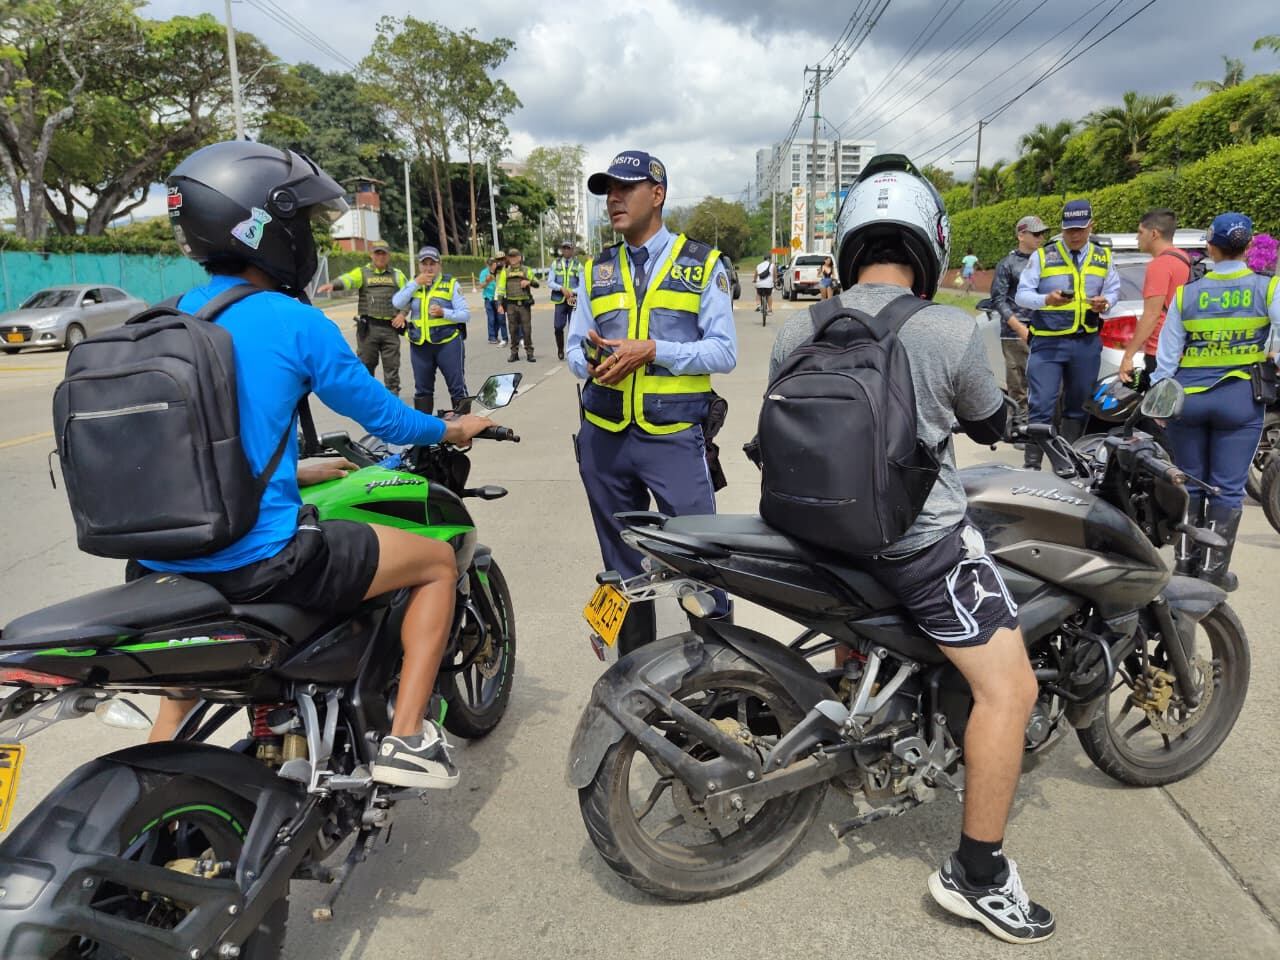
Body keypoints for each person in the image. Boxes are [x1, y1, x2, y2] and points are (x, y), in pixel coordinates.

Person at [768, 154, 1051, 944]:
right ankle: (980, 875)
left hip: (810, 534)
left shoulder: (798, 323)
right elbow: (992, 422)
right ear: (928, 245)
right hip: (912, 550)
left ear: (850, 244)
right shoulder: (950, 330)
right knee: (1011, 691)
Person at [155, 140, 495, 789]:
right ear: (265, 229)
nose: (308, 241)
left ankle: (159, 757)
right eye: (303, 226)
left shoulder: (167, 317)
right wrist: (452, 428)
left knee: (192, 639)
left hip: (161, 561)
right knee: (432, 563)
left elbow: (201, 447)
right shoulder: (290, 319)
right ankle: (406, 740)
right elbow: (387, 420)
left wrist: (294, 471)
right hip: (260, 562)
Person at [566, 149, 738, 652]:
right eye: (608, 192)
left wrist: (654, 351)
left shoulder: (702, 263)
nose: (613, 199)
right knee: (620, 574)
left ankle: (725, 686)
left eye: (625, 188)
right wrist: (591, 361)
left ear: (657, 194)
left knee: (702, 567)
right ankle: (634, 684)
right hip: (605, 441)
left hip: (673, 441)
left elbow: (724, 351)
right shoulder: (596, 269)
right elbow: (576, 346)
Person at [1152, 212, 1280, 589]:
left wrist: (1161, 402)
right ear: (1249, 247)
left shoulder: (1187, 294)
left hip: (1188, 401)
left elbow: (1167, 358)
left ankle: (1185, 566)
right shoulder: (1267, 289)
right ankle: (1212, 572)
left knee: (1190, 484)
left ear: (1210, 246)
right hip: (1239, 401)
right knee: (1226, 487)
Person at [1015, 199, 1121, 469]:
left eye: (1080, 229)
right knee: (1042, 404)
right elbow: (1022, 295)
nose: (1074, 235)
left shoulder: (1103, 257)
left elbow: (1113, 291)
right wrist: (1046, 300)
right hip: (1048, 342)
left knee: (1078, 406)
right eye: (1069, 230)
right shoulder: (1042, 256)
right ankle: (1032, 468)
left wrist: (1105, 303)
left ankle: (1069, 465)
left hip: (1085, 342)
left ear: (1090, 226)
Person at [316, 241, 408, 395]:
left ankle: (393, 402)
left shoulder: (397, 275)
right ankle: (368, 401)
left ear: (388, 255)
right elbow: (348, 280)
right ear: (371, 255)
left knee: (392, 369)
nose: (380, 256)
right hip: (368, 330)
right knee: (365, 367)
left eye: (383, 253)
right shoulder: (362, 273)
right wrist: (334, 284)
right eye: (377, 253)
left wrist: (402, 314)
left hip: (390, 328)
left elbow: (409, 296)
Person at [392, 245, 471, 412]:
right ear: (419, 265)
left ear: (439, 265)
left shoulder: (450, 283)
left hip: (448, 343)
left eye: (432, 264)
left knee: (457, 387)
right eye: (424, 264)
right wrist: (414, 283)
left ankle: (464, 431)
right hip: (420, 345)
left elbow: (465, 314)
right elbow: (397, 303)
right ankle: (425, 434)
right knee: (422, 391)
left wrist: (444, 312)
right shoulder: (413, 284)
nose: (428, 268)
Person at [1119, 208, 1192, 388]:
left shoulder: (1159, 265)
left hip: (1160, 348)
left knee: (1157, 410)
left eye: (1140, 232)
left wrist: (1128, 356)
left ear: (1154, 234)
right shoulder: (1184, 258)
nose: (1137, 237)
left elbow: (1151, 315)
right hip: (1181, 345)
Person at [989, 215, 1049, 428]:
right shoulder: (1007, 264)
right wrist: (1019, 327)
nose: (1040, 238)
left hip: (1045, 329)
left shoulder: (1047, 261)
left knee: (1043, 382)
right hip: (1014, 332)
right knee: (1018, 383)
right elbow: (998, 299)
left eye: (1042, 233)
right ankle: (1020, 426)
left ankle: (1040, 426)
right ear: (1021, 235)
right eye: (1036, 234)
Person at [496, 247, 539, 362]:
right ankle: (514, 353)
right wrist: (500, 304)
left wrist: (529, 282)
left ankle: (530, 353)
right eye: (511, 257)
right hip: (510, 305)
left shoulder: (526, 270)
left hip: (524, 304)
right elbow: (500, 289)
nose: (513, 259)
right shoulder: (505, 272)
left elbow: (537, 283)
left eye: (515, 256)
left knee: (526, 330)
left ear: (520, 257)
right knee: (513, 330)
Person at [549, 240, 582, 360]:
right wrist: (561, 288)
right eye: (564, 248)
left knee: (573, 327)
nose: (566, 250)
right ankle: (560, 349)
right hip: (560, 298)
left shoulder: (578, 265)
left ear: (572, 250)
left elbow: (582, 284)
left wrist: (573, 291)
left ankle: (572, 350)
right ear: (562, 250)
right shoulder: (555, 264)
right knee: (558, 326)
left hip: (572, 298)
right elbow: (550, 282)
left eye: (569, 248)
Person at [478, 255, 505, 346]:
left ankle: (495, 336)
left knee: (499, 318)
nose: (492, 266)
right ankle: (491, 337)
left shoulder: (499, 272)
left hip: (497, 298)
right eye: (490, 264)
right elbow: (481, 286)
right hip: (488, 298)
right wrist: (487, 281)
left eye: (493, 264)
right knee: (491, 318)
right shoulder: (484, 273)